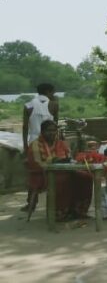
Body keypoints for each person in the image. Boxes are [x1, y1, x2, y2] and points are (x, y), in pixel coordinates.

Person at [25, 120, 93, 221]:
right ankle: (59, 214)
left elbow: (69, 158)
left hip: (65, 170)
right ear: (42, 132)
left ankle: (78, 211)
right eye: (49, 130)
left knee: (85, 178)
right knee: (62, 180)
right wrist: (51, 161)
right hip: (43, 174)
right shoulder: (35, 145)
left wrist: (67, 161)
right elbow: (36, 164)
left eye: (54, 130)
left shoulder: (61, 143)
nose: (52, 133)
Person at [21, 83, 58, 211]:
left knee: (33, 172)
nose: (54, 95)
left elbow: (25, 127)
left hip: (33, 142)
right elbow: (55, 125)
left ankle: (31, 203)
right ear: (48, 91)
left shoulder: (28, 106)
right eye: (53, 92)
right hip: (49, 142)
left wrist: (25, 146)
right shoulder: (54, 105)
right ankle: (55, 200)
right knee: (53, 168)